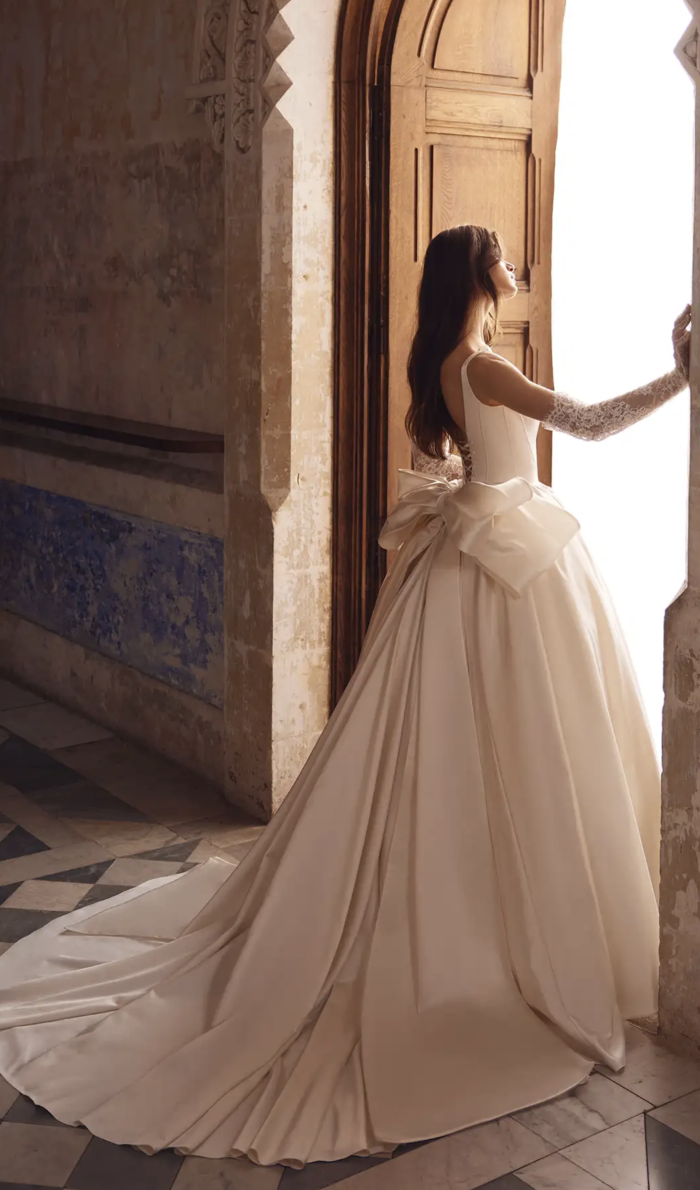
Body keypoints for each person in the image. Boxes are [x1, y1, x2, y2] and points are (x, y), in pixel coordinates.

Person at [0, 224, 691, 1171]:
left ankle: (495, 911)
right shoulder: (482, 367)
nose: (513, 263)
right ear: (476, 274)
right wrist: (681, 377)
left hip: (482, 561)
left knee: (465, 752)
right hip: (502, 576)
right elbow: (586, 423)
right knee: (507, 749)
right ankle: (496, 935)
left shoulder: (461, 361)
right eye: (499, 253)